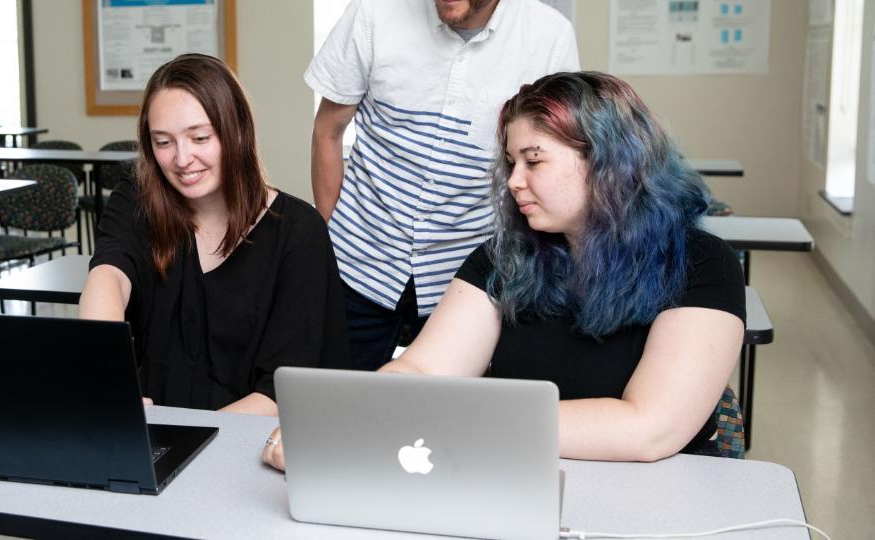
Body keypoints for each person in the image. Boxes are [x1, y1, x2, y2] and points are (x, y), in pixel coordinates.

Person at [264, 71, 745, 467]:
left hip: (659, 498)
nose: (515, 181)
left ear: (608, 163)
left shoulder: (703, 264)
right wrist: (344, 422)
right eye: (511, 162)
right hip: (522, 477)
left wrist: (461, 421)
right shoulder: (504, 257)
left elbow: (648, 429)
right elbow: (426, 368)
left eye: (534, 161)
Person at [308, 0, 580, 371]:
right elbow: (328, 131)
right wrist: (328, 239)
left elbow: (549, 161)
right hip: (359, 259)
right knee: (342, 406)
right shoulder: (372, 11)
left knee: (452, 419)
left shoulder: (549, 38)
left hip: (473, 267)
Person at [80, 53, 349, 416]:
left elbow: (283, 389)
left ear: (236, 131)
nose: (182, 159)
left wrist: (188, 442)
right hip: (152, 436)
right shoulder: (135, 201)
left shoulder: (299, 234)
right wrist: (107, 372)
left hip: (247, 443)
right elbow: (109, 275)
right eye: (163, 142)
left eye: (200, 137)